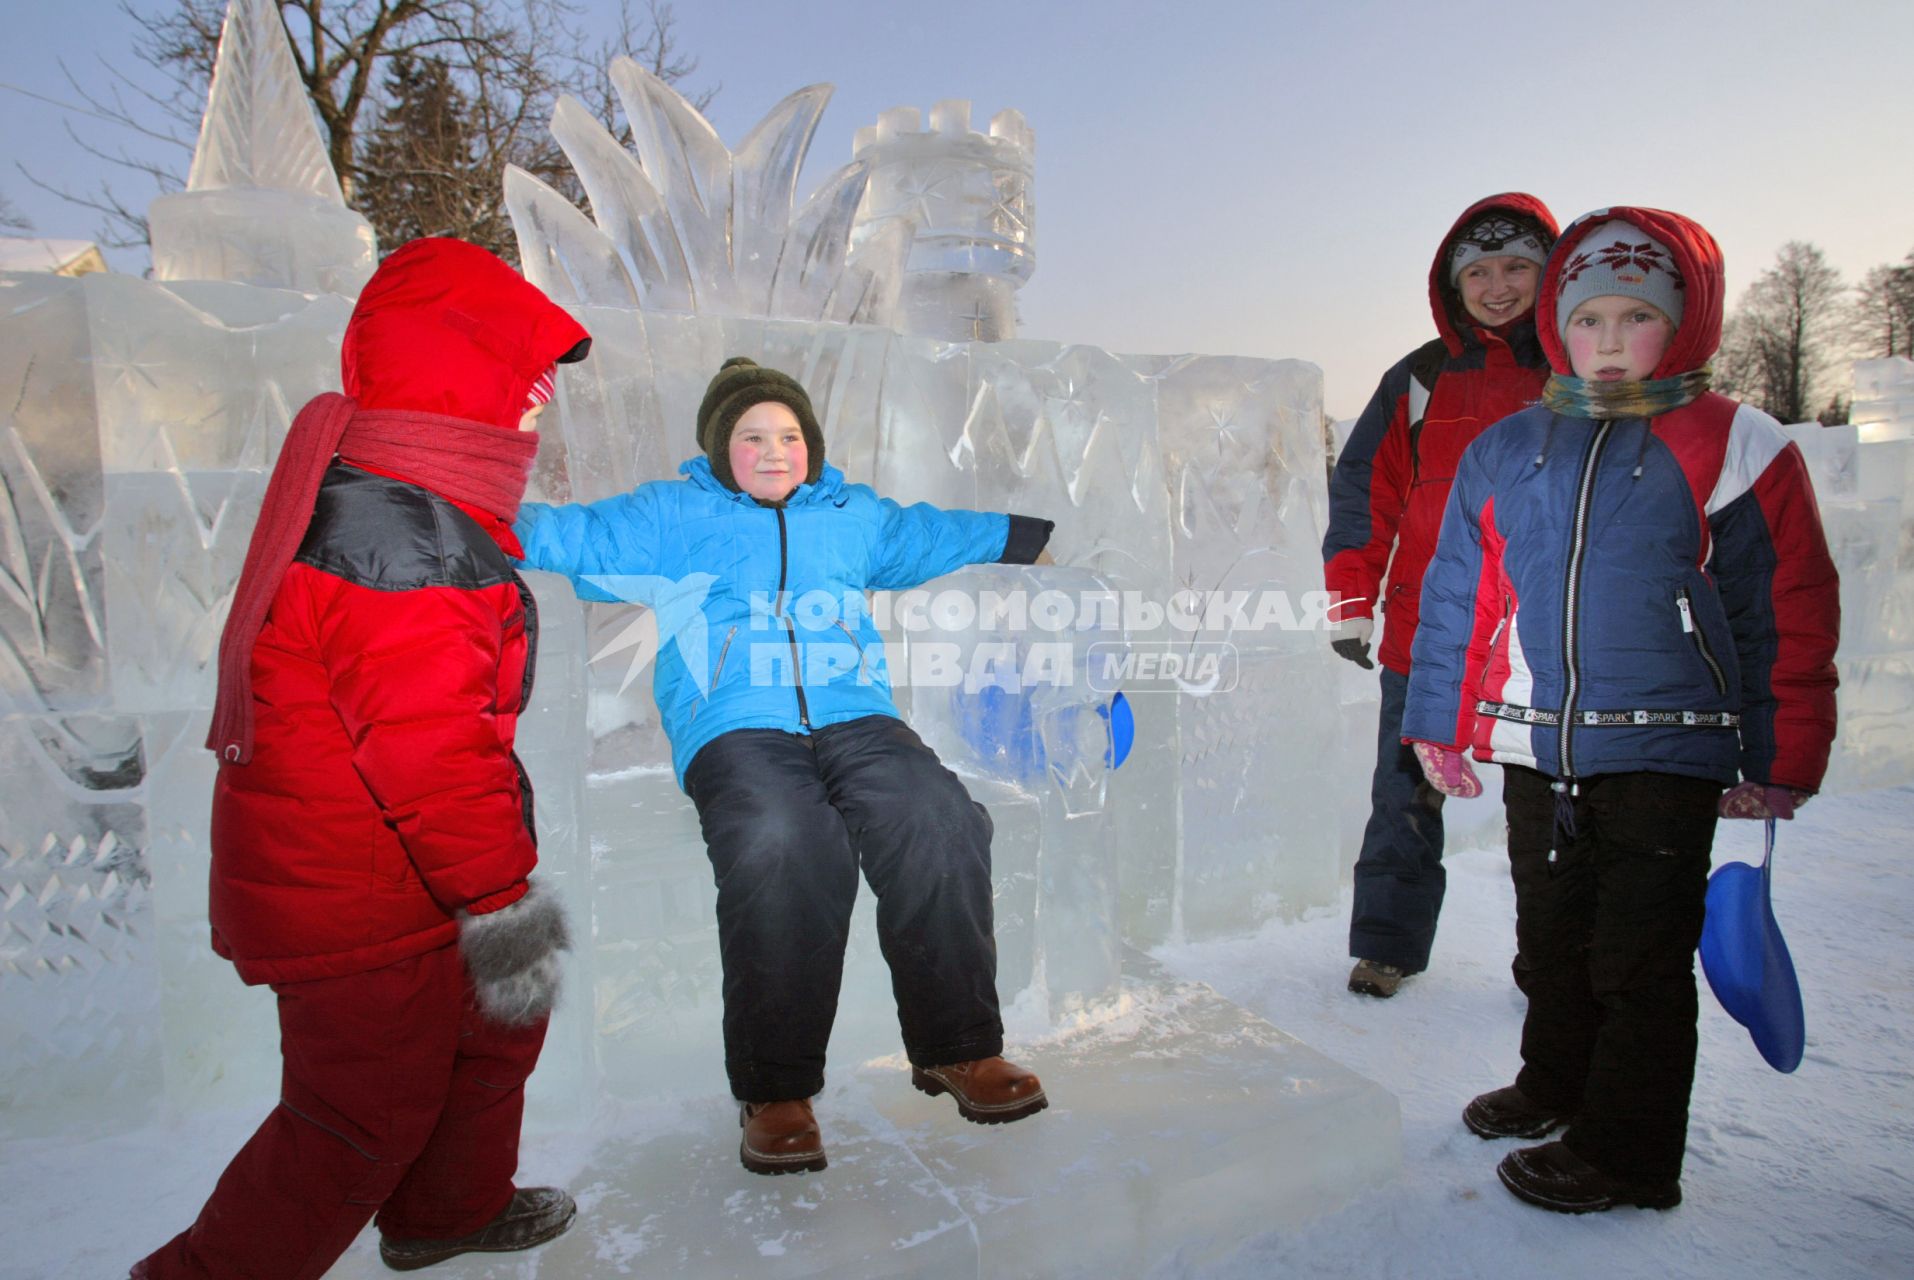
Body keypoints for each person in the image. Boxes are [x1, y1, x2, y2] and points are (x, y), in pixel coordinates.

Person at [133, 238, 592, 1278]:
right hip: (364, 894)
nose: (538, 408)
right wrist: (503, 895)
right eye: (525, 384)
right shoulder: (403, 546)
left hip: (405, 879)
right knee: (358, 1114)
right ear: (463, 380)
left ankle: (448, 1207)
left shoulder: (413, 509)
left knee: (495, 1033)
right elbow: (430, 755)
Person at [513, 356, 1055, 1176]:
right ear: (718, 446)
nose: (774, 449)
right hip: (735, 724)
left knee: (938, 816)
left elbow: (934, 531)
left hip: (857, 715)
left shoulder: (851, 514)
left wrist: (1030, 540)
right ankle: (776, 1091)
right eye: (752, 435)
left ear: (812, 444)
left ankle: (958, 1049)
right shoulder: (671, 514)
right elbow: (566, 535)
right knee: (784, 839)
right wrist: (458, 505)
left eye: (790, 434)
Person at [1403, 207, 1840, 1213]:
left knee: (1635, 956)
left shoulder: (1736, 443)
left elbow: (1784, 610)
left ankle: (1632, 1151)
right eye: (1588, 316)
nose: (1608, 339)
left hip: (1667, 747)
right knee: (1550, 934)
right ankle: (1554, 1080)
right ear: (1559, 324)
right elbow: (1462, 593)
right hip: (1534, 740)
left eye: (1634, 316)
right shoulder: (1511, 447)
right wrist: (1441, 720)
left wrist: (1779, 757)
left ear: (1681, 323)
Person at [1322, 193, 1560, 998]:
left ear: (1550, 271)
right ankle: (1388, 945)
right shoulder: (1420, 377)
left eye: (1518, 267)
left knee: (1550, 814)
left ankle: (1555, 965)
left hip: (1543, 638)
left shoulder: (1577, 368)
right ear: (1451, 282)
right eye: (1480, 271)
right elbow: (1365, 489)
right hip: (1428, 634)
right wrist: (1352, 599)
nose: (1498, 286)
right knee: (1404, 798)